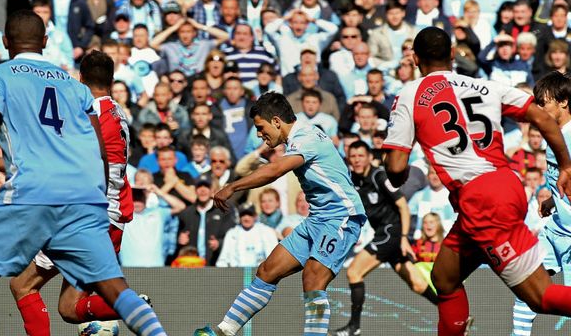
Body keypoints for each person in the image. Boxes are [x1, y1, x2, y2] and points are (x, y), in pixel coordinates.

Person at [0, 11, 165, 336]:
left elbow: (57, 158)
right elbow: (94, 156)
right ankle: (133, 309)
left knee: (12, 286)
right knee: (71, 308)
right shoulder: (112, 109)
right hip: (103, 211)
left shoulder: (59, 96)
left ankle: (126, 308)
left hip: (62, 203)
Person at [384, 27, 571, 336]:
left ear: (415, 58)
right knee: (444, 278)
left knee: (539, 297)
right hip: (500, 186)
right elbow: (540, 116)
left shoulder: (410, 94)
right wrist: (565, 164)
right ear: (452, 55)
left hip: (482, 200)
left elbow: (396, 167)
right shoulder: (485, 85)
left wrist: (395, 170)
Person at [197, 92, 366, 336]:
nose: (259, 134)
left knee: (313, 278)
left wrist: (232, 186)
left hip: (342, 217)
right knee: (267, 270)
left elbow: (275, 170)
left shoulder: (306, 137)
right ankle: (224, 332)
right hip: (318, 219)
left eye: (260, 127)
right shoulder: (301, 136)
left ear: (277, 121)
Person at [334, 141, 435, 336]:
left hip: (392, 233)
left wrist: (404, 237)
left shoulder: (379, 176)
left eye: (361, 156)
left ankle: (354, 328)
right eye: (353, 157)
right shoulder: (353, 180)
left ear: (369, 157)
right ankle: (456, 317)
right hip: (384, 235)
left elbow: (403, 207)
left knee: (354, 272)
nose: (357, 160)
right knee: (417, 284)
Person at [511, 71, 571, 336]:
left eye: (543, 102)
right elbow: (559, 180)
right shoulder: (553, 135)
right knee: (527, 287)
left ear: (563, 102)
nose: (539, 109)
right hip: (555, 230)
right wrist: (552, 202)